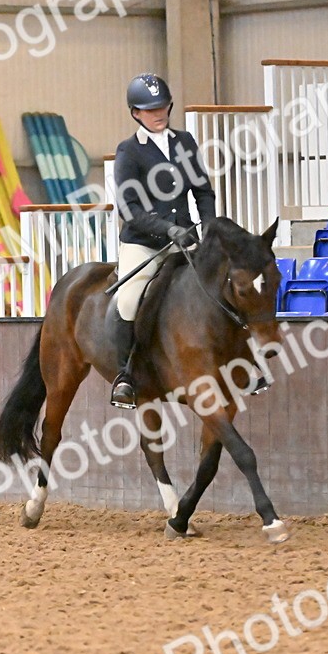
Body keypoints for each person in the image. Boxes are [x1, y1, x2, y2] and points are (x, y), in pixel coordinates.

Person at [109, 73, 217, 409]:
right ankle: (127, 374)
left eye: (163, 106)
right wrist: (165, 229)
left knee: (221, 285)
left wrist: (210, 229)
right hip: (144, 242)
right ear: (135, 113)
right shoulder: (129, 151)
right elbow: (129, 207)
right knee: (128, 300)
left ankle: (243, 359)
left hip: (186, 237)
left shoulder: (184, 142)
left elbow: (202, 191)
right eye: (150, 109)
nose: (159, 113)